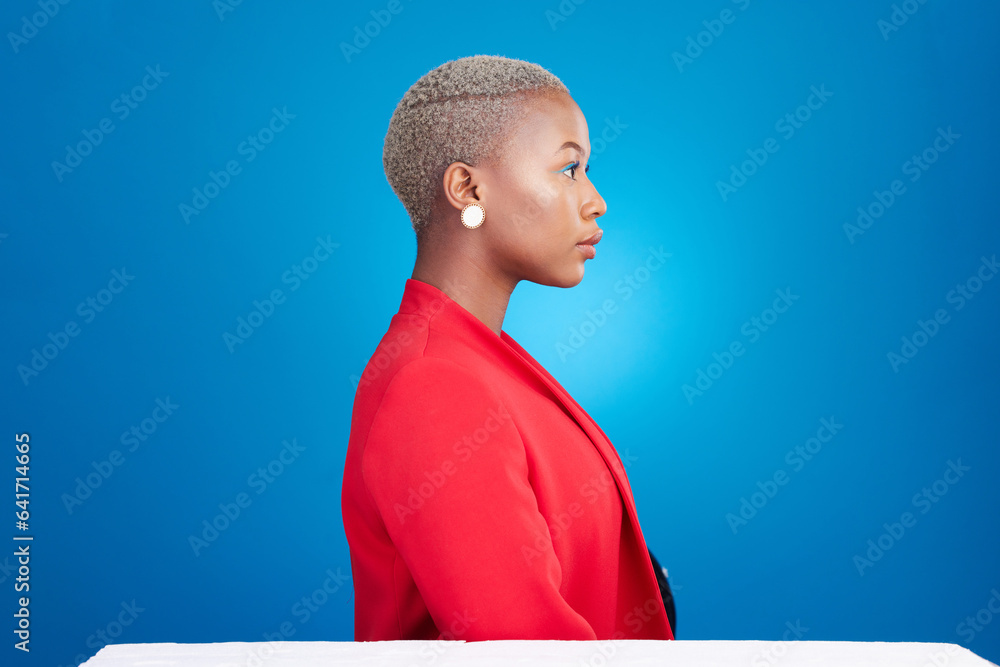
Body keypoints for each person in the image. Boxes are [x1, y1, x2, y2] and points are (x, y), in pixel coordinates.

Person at [341, 54, 674, 642]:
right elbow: (522, 649)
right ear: (467, 187)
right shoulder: (433, 384)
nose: (595, 201)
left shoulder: (481, 359)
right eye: (569, 170)